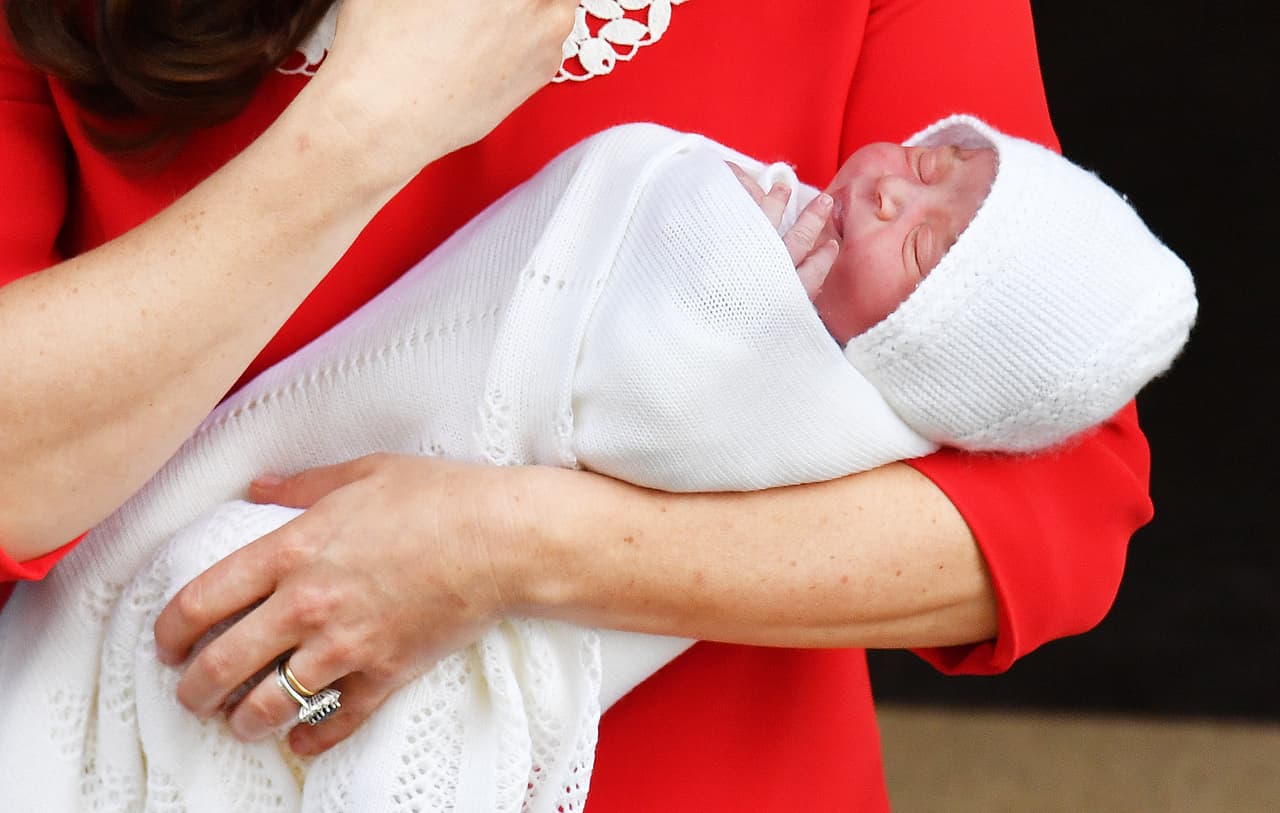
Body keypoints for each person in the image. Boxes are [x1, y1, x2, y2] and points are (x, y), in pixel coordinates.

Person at [0, 2, 1166, 809]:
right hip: (160, 707)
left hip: (710, 785)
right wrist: (366, 123)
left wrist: (501, 546)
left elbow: (1053, 502)